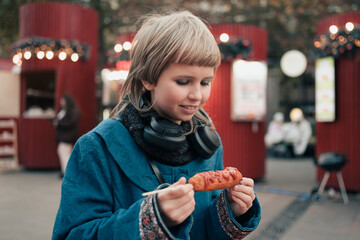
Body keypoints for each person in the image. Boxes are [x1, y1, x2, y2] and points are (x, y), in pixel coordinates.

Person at [52, 11, 261, 240]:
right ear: (148, 78)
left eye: (205, 82)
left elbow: (204, 232)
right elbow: (73, 235)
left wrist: (230, 209)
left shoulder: (210, 147)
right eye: (183, 81)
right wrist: (150, 219)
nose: (197, 95)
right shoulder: (97, 148)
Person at [53, 94, 81, 177]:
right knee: (64, 153)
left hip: (68, 136)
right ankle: (65, 172)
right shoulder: (65, 110)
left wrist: (59, 123)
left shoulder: (73, 111)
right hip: (65, 136)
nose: (61, 102)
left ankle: (67, 173)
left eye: (63, 100)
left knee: (64, 153)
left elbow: (70, 123)